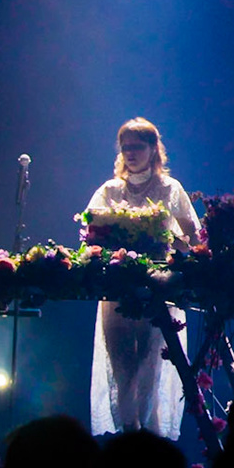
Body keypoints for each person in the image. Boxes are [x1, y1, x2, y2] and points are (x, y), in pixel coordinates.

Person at [88, 117, 200, 438]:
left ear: (154, 149)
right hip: (118, 290)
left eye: (138, 147)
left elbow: (191, 236)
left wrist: (173, 243)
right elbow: (90, 230)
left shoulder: (169, 188)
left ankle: (146, 439)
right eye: (126, 148)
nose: (131, 153)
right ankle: (129, 433)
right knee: (122, 364)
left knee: (151, 363)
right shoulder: (110, 190)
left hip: (158, 289)